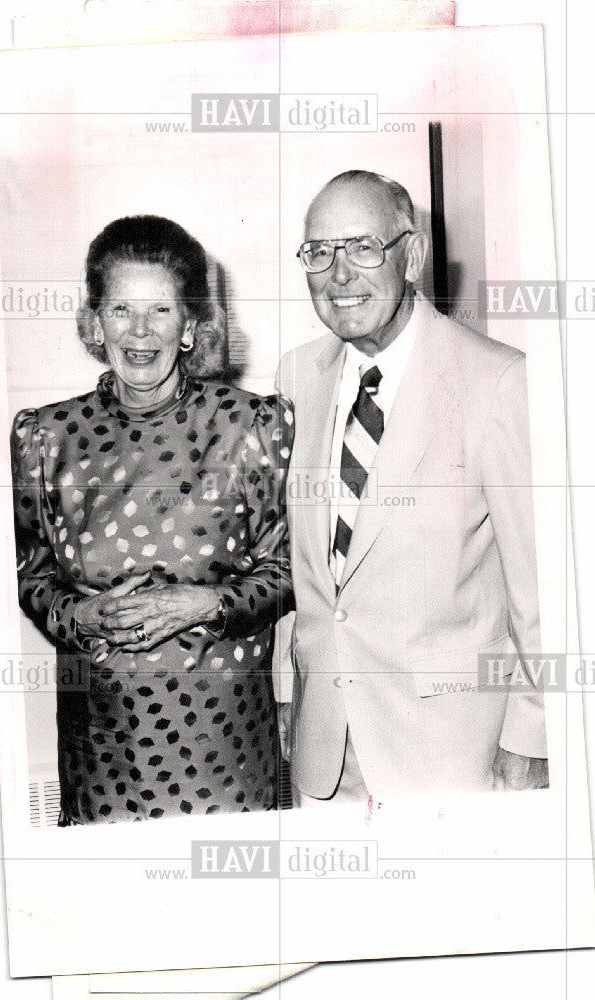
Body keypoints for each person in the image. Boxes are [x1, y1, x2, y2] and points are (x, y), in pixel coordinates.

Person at [276, 170, 548, 805]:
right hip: (325, 752)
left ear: (414, 255)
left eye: (363, 247)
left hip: (451, 757)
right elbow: (297, 566)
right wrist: (290, 692)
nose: (339, 275)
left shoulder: (498, 383)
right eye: (320, 253)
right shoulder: (296, 377)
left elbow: (543, 598)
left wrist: (531, 741)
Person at [11, 214, 294, 824]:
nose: (140, 332)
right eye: (120, 310)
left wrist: (207, 604)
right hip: (101, 749)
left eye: (161, 311)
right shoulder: (45, 437)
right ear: (94, 322)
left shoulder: (255, 427)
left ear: (190, 326)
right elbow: (29, 577)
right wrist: (76, 614)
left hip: (225, 748)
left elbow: (294, 569)